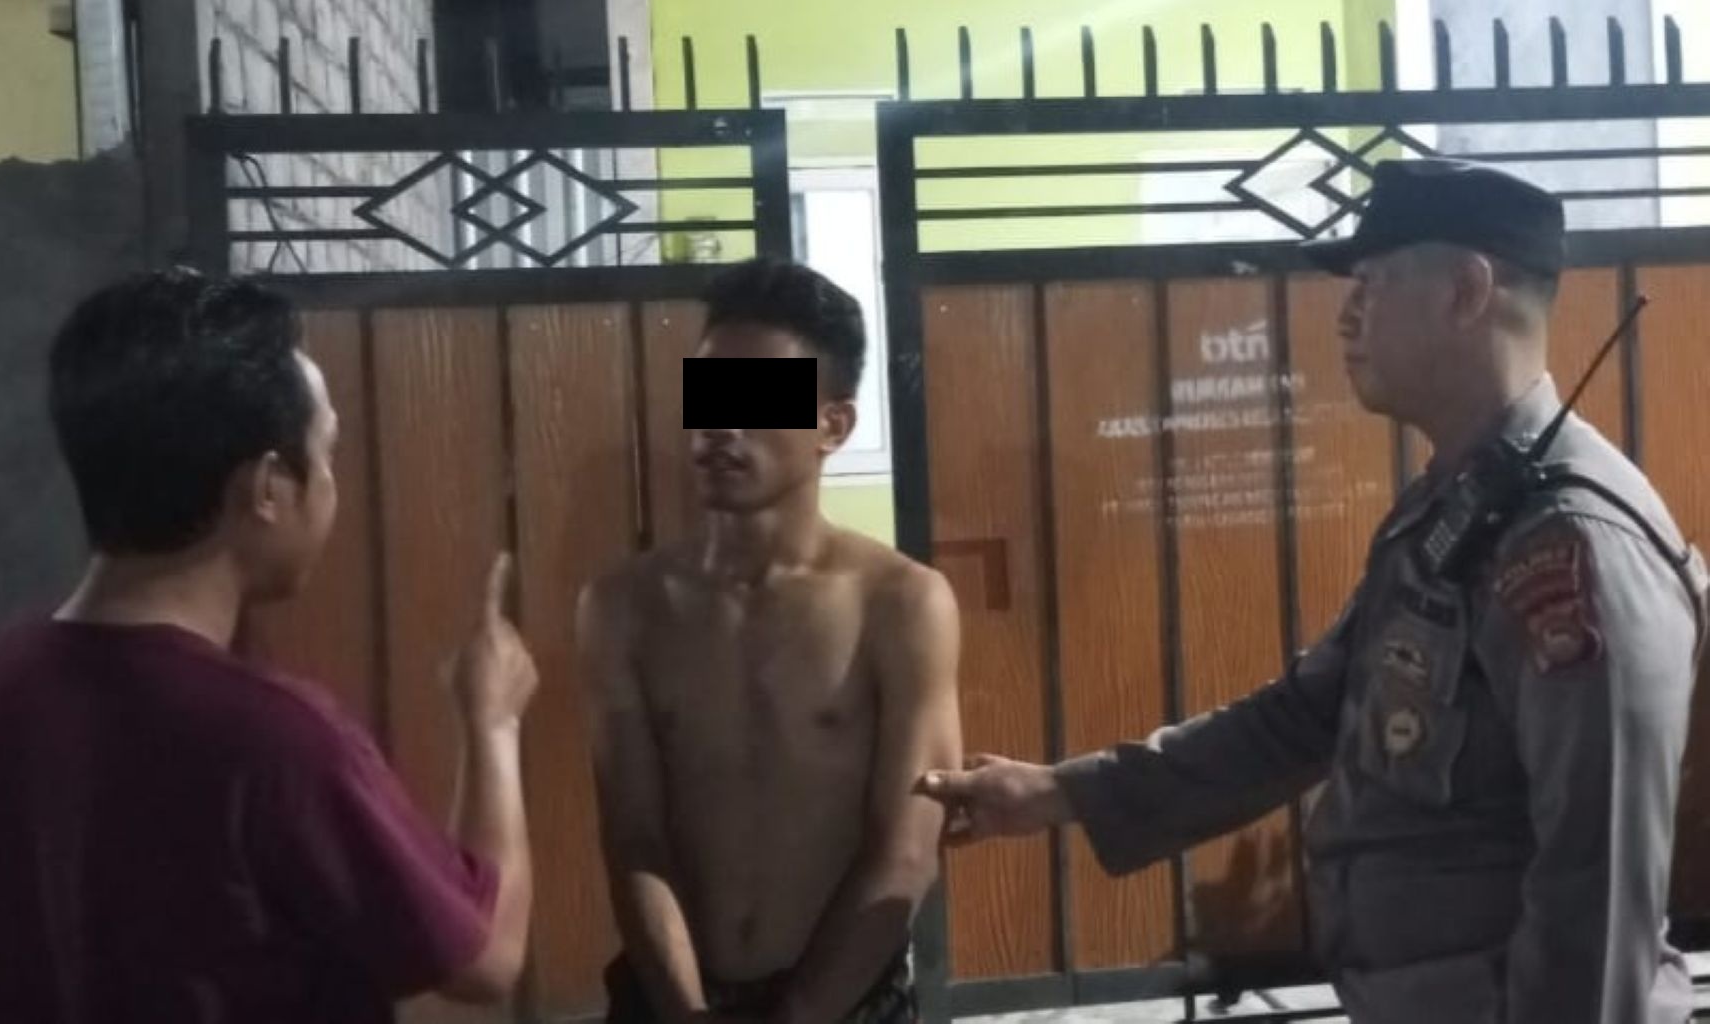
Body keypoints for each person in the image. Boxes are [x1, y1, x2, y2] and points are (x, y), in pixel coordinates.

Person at [917, 160, 1708, 1024]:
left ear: (1466, 291)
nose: (1346, 314)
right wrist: (1059, 793)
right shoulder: (1458, 503)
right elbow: (1307, 715)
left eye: (1374, 281)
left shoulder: (1568, 546)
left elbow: (1596, 889)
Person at [0, 269, 539, 1024]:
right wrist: (493, 722)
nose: (331, 485)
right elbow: (485, 958)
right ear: (269, 486)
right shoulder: (277, 741)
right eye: (327, 452)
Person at [579, 257, 963, 1024]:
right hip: (670, 998)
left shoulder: (899, 603)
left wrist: (796, 1017)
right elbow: (634, 839)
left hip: (845, 1001)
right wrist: (687, 1012)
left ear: (832, 426)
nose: (722, 425)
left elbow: (908, 850)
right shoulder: (623, 606)